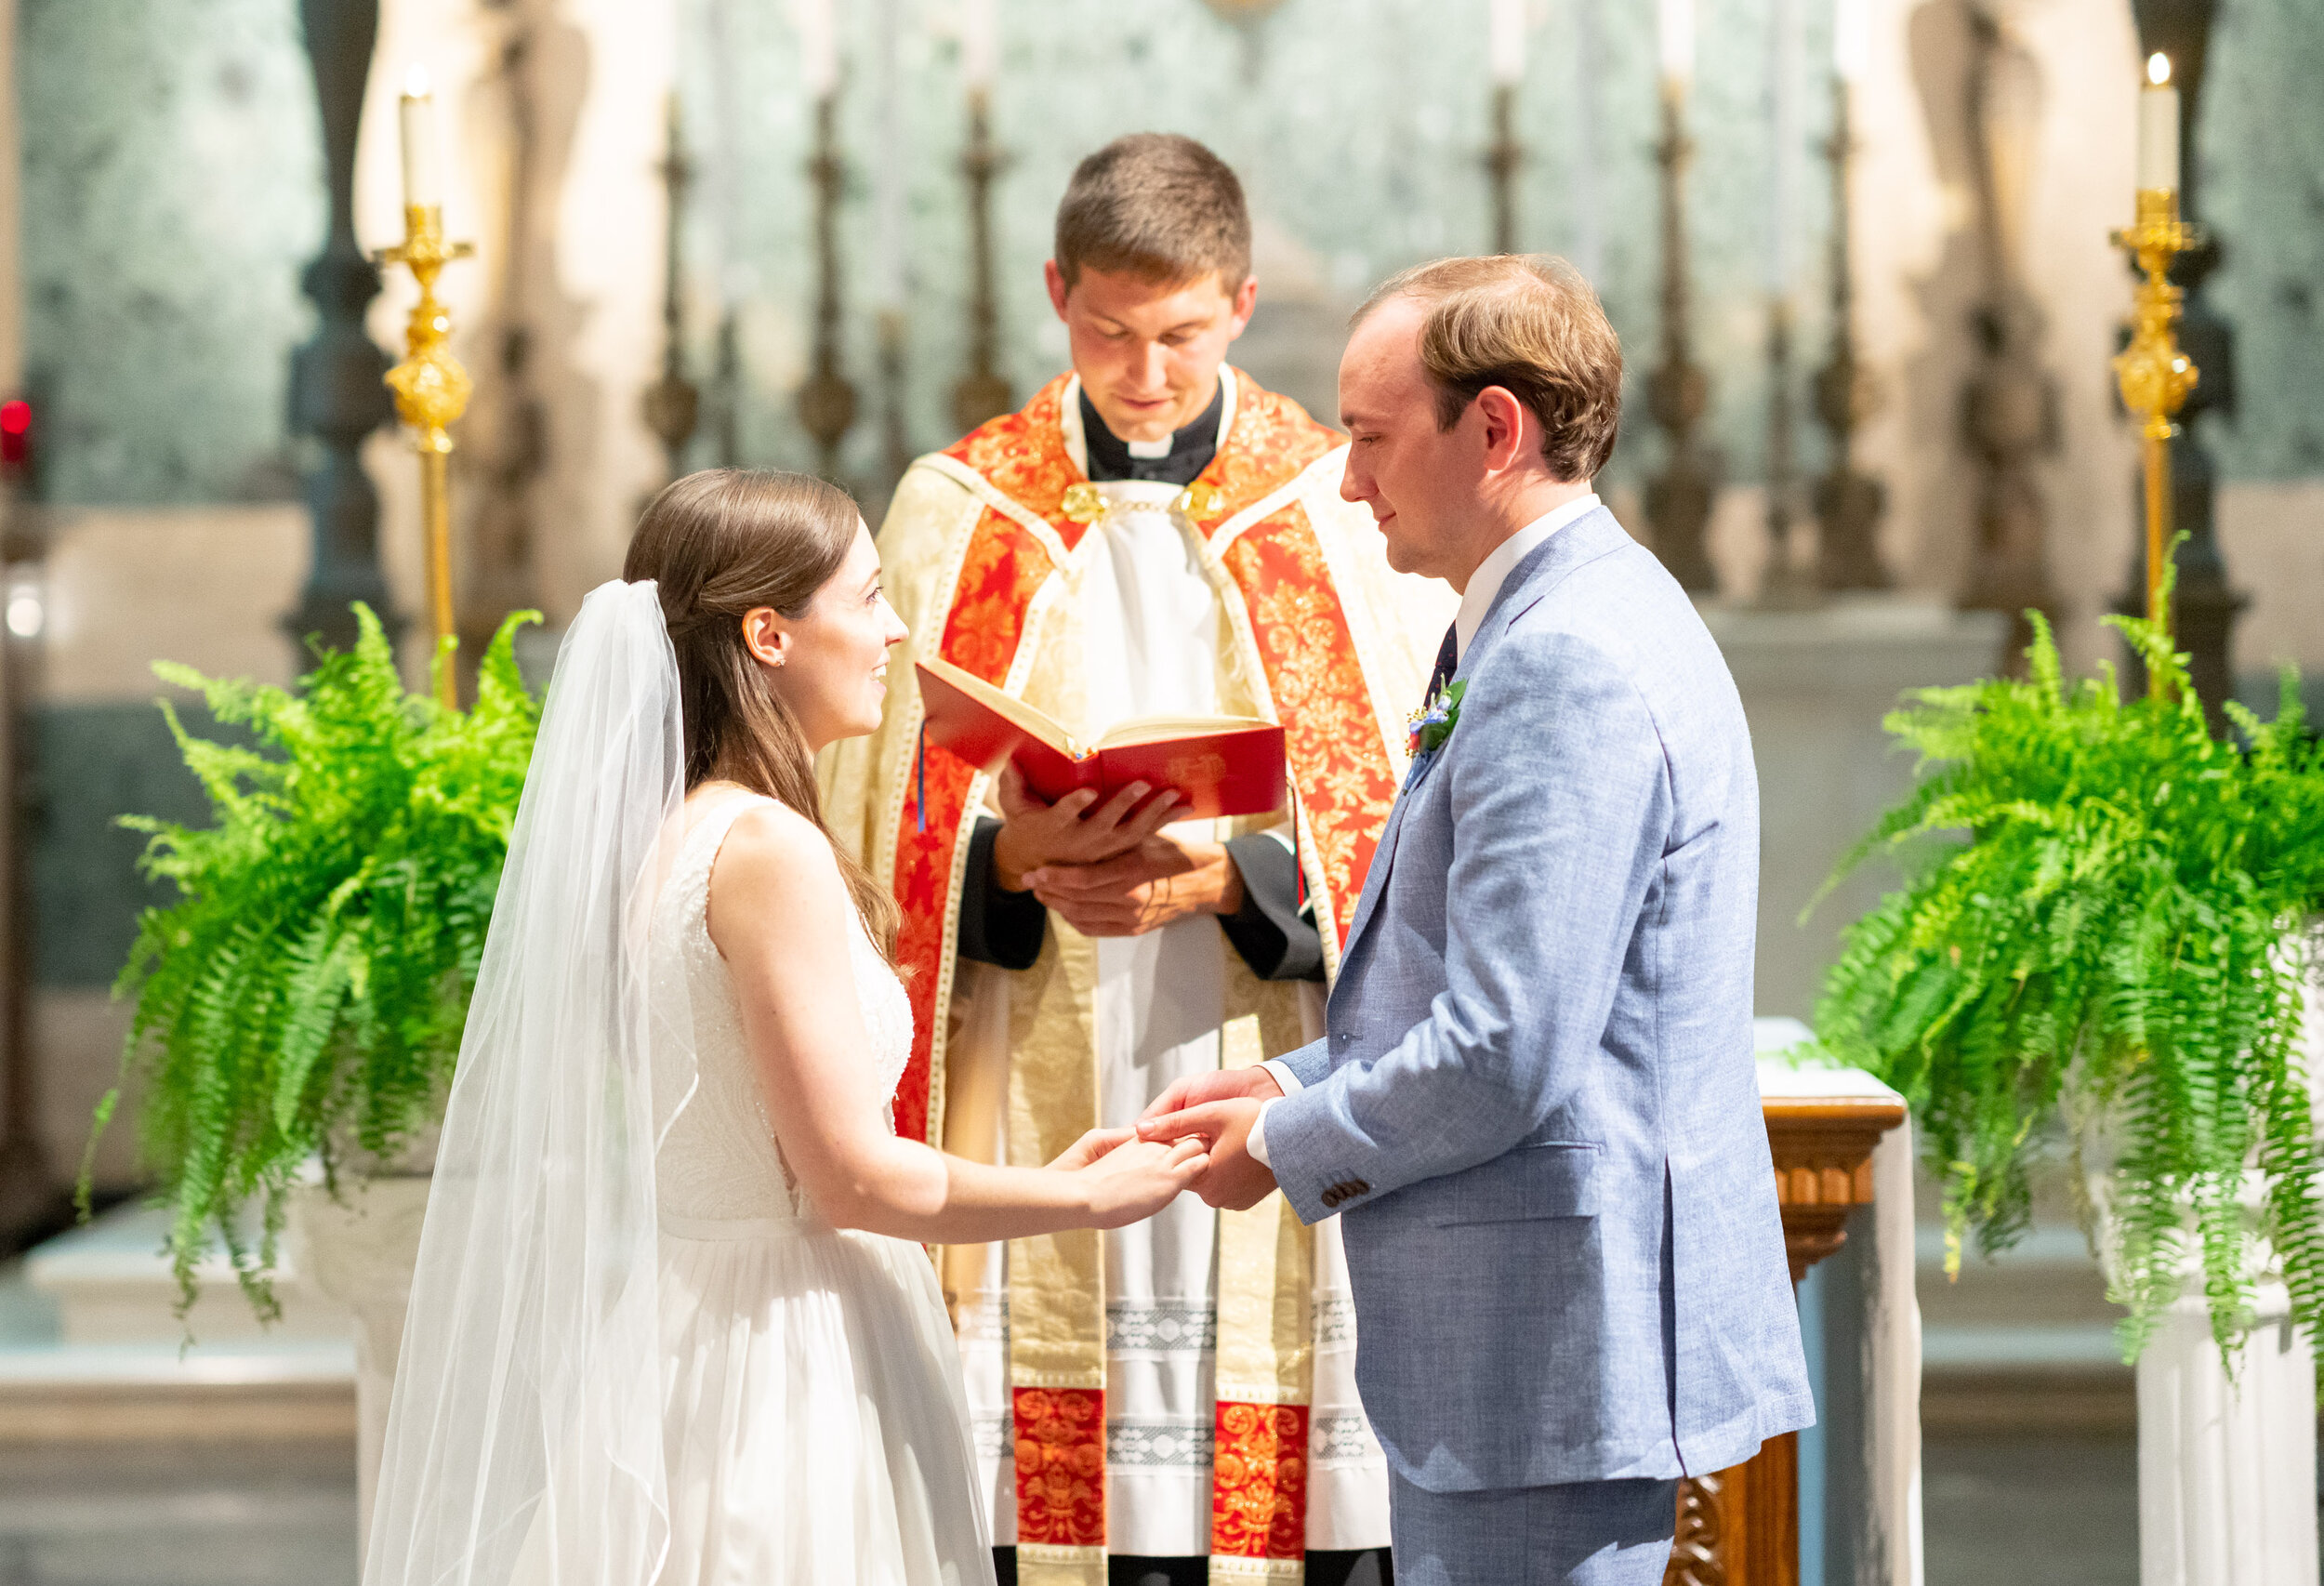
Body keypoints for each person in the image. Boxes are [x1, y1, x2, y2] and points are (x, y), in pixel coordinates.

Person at [362, 469, 1211, 1586]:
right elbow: (851, 1179)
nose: (895, 628)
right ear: (769, 632)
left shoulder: (671, 832)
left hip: (687, 1321)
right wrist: (1083, 1194)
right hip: (785, 1348)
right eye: (866, 598)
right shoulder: (766, 850)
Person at [822, 135, 1448, 1586]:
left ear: (1236, 303)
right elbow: (861, 813)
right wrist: (1002, 853)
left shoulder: (1328, 503)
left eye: (1177, 334)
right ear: (1057, 293)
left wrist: (1239, 875)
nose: (1145, 370)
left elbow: (1404, 811)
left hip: (1256, 1029)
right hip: (1025, 1053)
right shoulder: (960, 507)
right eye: (1108, 331)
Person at [1138, 256, 1816, 1585]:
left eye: (1374, 437)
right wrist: (1285, 1073)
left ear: (1494, 430)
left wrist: (1285, 1139)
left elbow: (1507, 1048)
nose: (1347, 478)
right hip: (1546, 1339)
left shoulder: (1565, 656)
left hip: (1546, 1351)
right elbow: (1500, 987)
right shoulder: (1572, 609)